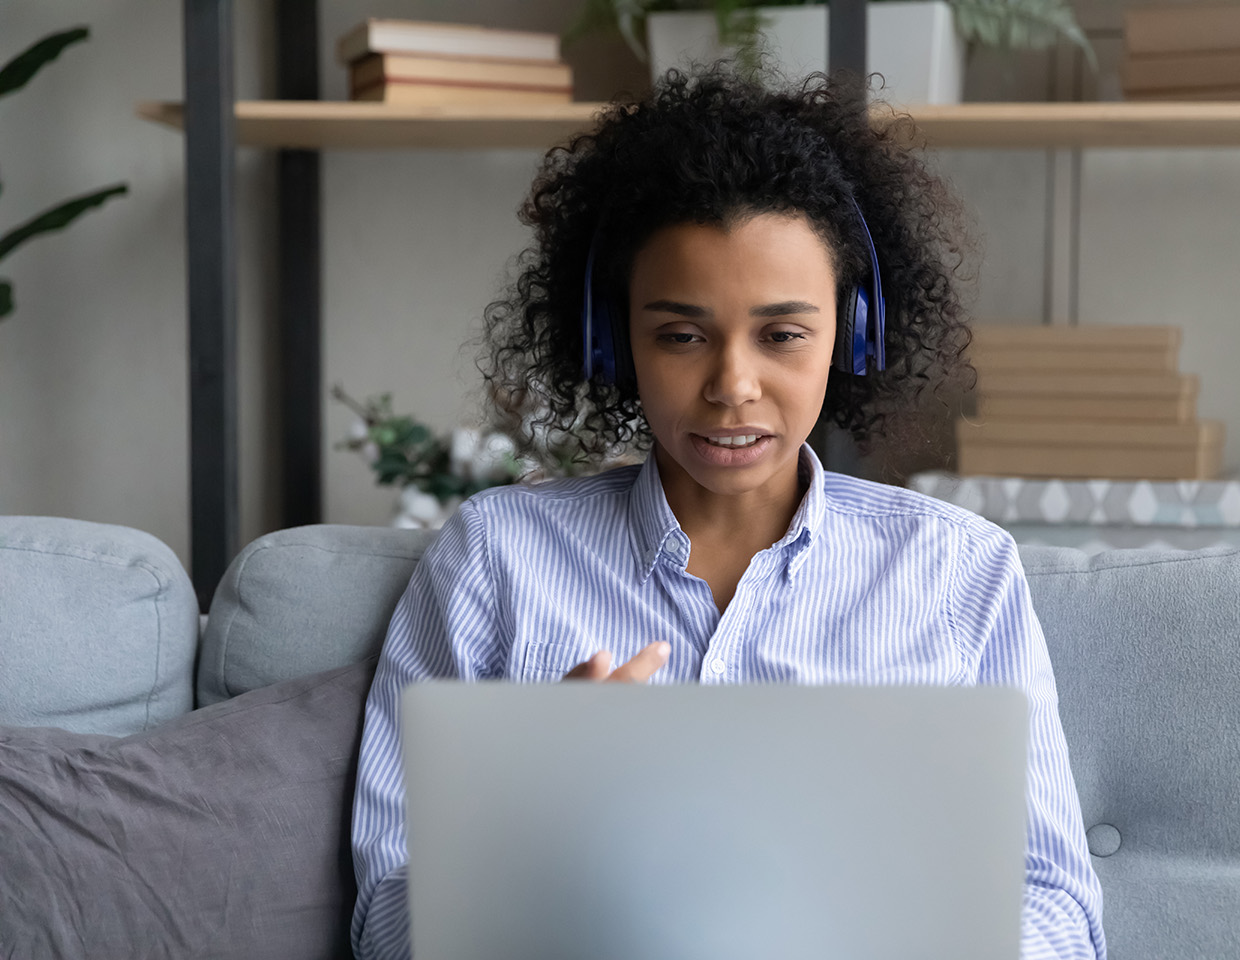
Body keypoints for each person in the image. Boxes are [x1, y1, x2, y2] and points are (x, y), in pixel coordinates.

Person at [350, 67, 1106, 960]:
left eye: (783, 334)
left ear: (853, 334)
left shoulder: (959, 574)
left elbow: (1059, 908)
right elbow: (385, 926)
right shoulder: (493, 561)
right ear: (611, 339)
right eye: (680, 334)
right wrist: (535, 811)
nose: (732, 386)